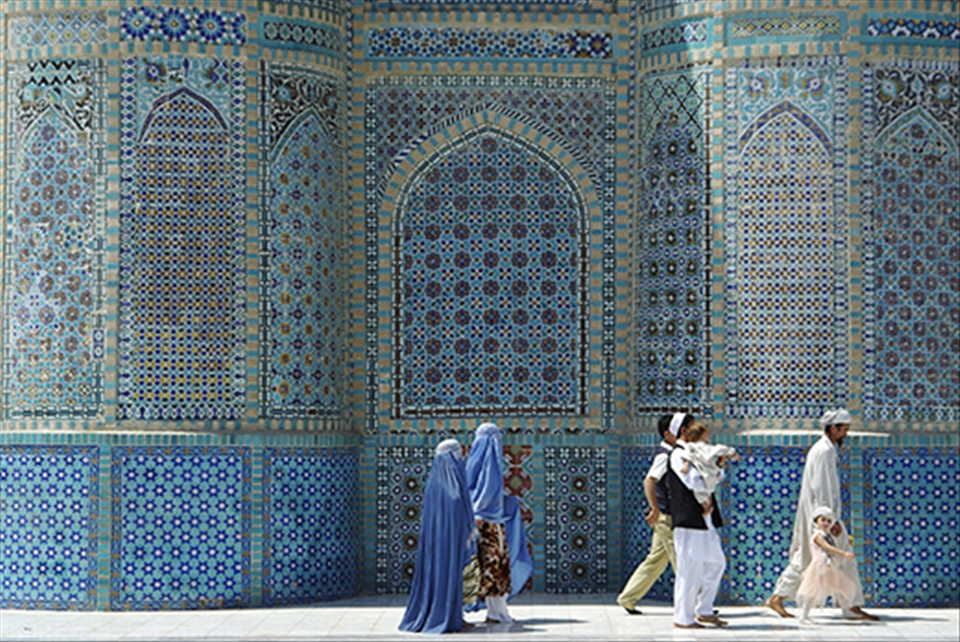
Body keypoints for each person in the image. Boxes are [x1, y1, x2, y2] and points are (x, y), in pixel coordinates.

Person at [765, 408, 878, 621]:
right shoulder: (823, 451)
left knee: (808, 557)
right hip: (823, 516)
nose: (846, 434)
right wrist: (828, 520)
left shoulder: (825, 449)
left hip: (820, 515)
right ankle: (851, 606)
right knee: (840, 556)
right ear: (833, 428)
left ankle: (779, 597)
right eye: (844, 429)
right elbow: (821, 487)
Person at [399, 439, 477, 634]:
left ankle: (456, 615)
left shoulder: (436, 484)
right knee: (447, 573)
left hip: (445, 542)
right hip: (446, 544)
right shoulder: (446, 488)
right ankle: (446, 616)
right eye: (457, 454)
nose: (461, 459)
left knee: (452, 575)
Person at [616, 413, 689, 614]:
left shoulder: (676, 453)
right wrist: (655, 508)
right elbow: (649, 481)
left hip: (671, 516)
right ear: (668, 434)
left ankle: (628, 597)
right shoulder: (664, 456)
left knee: (656, 561)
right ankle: (696, 605)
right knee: (682, 561)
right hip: (666, 518)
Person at [667, 414, 728, 629]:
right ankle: (683, 618)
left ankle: (704, 610)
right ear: (684, 431)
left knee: (716, 562)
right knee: (689, 569)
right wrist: (709, 483)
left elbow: (715, 477)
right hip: (689, 520)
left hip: (705, 519)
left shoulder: (699, 454)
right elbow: (692, 481)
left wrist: (718, 466)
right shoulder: (678, 455)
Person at [464, 422, 517, 624]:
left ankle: (495, 613)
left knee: (489, 568)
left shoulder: (473, 463)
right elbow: (486, 492)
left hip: (479, 522)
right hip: (488, 524)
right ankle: (494, 612)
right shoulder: (491, 462)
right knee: (493, 568)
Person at [797, 506, 859, 625]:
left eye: (829, 521)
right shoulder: (818, 536)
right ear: (816, 521)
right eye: (823, 520)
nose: (826, 523)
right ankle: (804, 615)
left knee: (842, 586)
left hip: (829, 566)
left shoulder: (827, 535)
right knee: (813, 592)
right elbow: (827, 547)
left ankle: (846, 610)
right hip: (819, 567)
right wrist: (844, 553)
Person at [677, 422, 739, 515]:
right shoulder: (705, 447)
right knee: (707, 491)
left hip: (702, 471)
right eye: (708, 434)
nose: (710, 437)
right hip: (708, 472)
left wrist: (686, 466)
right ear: (701, 436)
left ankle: (706, 507)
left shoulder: (690, 446)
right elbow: (719, 449)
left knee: (700, 494)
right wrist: (732, 452)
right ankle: (707, 507)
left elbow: (687, 456)